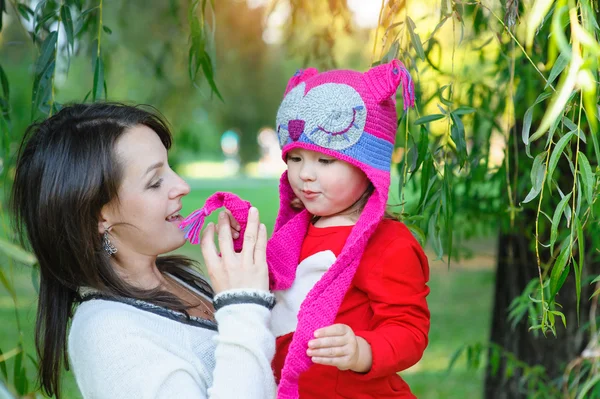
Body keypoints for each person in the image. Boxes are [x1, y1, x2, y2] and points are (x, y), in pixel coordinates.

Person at [10, 103, 277, 399]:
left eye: (170, 168)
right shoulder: (106, 334)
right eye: (155, 182)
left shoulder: (180, 274)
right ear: (100, 217)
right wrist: (242, 303)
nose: (182, 186)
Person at [266, 60, 431, 398]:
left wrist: (361, 350)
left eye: (325, 161)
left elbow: (409, 329)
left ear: (366, 167)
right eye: (295, 158)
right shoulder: (294, 233)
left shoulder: (386, 243)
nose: (305, 175)